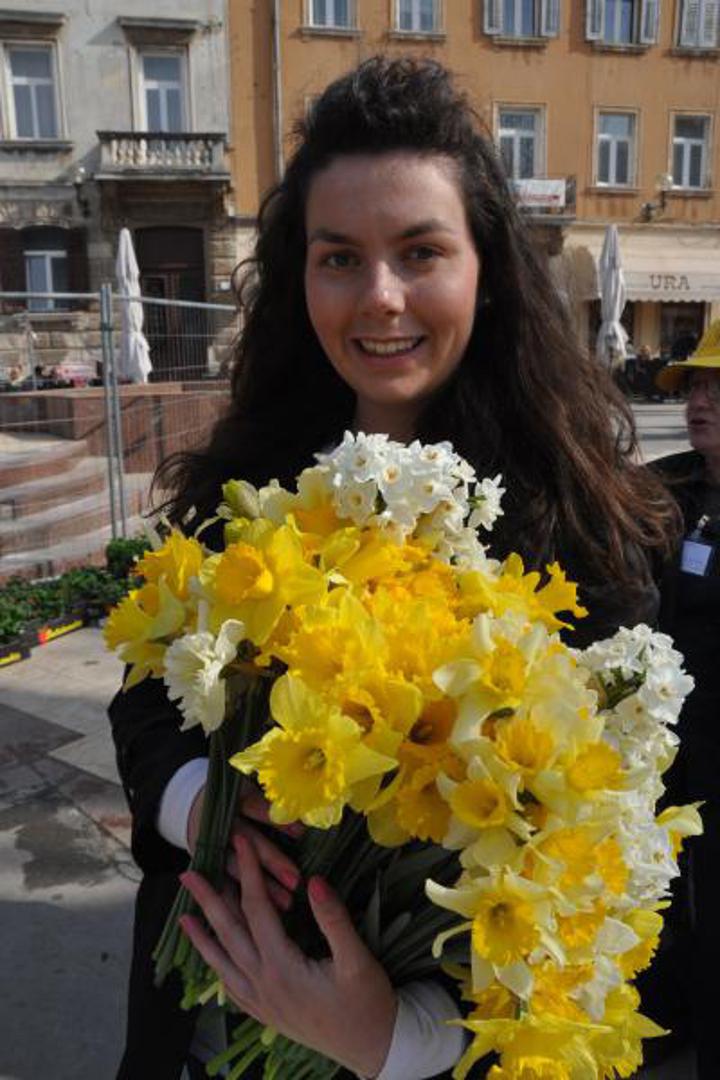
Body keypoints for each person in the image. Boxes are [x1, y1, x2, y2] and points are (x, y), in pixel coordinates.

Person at [109, 57, 679, 1080]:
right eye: (339, 257)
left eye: (421, 252)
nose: (380, 298)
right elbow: (148, 701)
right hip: (199, 1039)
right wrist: (202, 804)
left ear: (487, 272)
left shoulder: (587, 528)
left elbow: (606, 871)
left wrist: (396, 1040)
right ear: (301, 279)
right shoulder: (245, 485)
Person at [646, 323, 720, 1080]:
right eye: (696, 386)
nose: (700, 400)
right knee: (660, 889)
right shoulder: (664, 491)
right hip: (665, 745)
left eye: (718, 388)